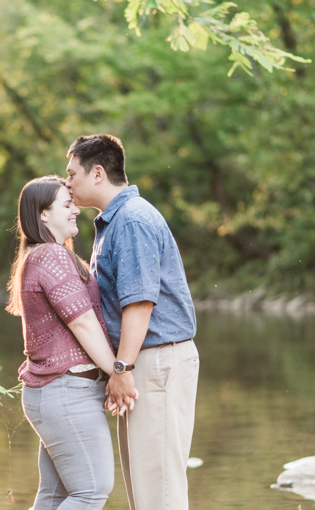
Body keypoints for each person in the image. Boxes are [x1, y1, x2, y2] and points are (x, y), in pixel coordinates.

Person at [65, 134, 200, 510]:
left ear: (97, 174)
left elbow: (140, 303)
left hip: (157, 361)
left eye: (72, 174)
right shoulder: (114, 221)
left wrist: (122, 367)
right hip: (147, 360)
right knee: (145, 486)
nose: (68, 183)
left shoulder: (132, 220)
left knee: (160, 490)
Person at [7, 175, 132, 510]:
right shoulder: (51, 256)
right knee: (91, 490)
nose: (76, 209)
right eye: (66, 204)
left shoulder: (44, 255)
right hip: (65, 393)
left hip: (55, 394)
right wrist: (118, 371)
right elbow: (83, 323)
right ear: (43, 215)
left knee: (55, 495)